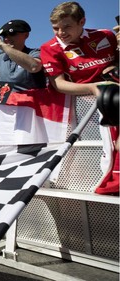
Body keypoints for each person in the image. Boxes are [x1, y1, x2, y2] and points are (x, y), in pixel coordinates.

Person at [40, 2, 119, 195]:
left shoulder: (106, 36)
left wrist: (115, 65)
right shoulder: (49, 48)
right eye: (55, 28)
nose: (60, 32)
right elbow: (58, 84)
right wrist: (93, 87)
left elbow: (116, 60)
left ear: (82, 21)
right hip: (88, 108)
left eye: (66, 26)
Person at [0, 19, 46, 97]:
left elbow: (34, 66)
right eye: (4, 36)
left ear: (26, 35)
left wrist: (2, 46)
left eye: (12, 34)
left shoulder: (35, 53)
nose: (7, 38)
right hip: (5, 107)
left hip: (31, 106)